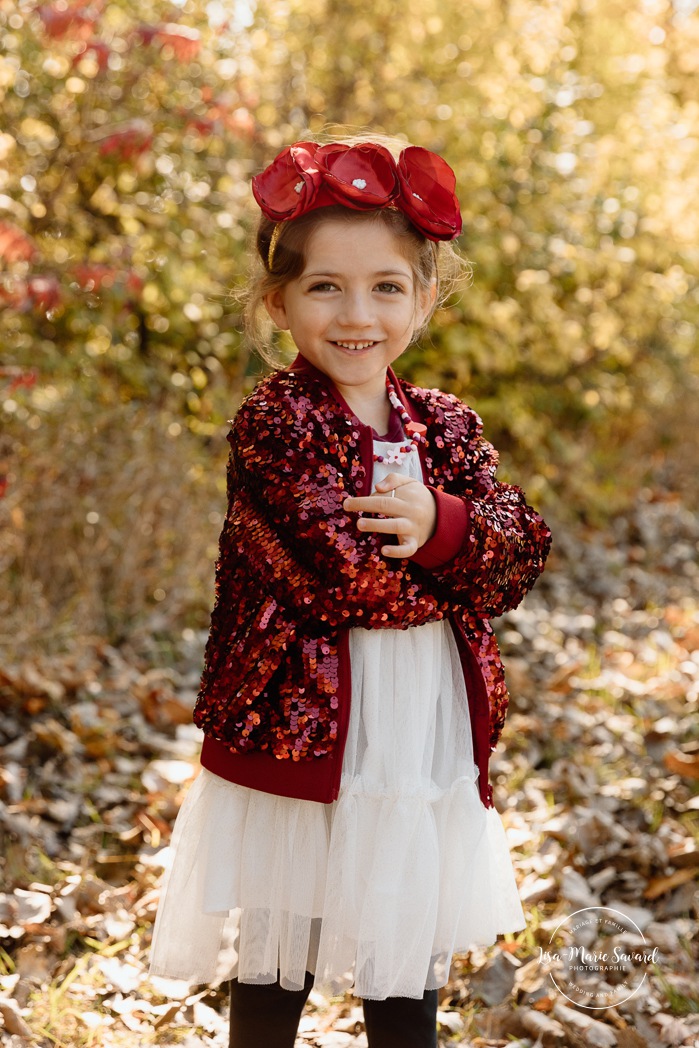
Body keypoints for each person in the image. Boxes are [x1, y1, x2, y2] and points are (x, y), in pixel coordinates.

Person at [149, 136, 552, 1048]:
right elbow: (342, 580)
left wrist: (442, 524)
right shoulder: (275, 424)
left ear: (422, 296)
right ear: (278, 300)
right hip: (301, 724)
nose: (356, 312)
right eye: (325, 286)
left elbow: (519, 551)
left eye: (385, 287)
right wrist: (454, 572)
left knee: (401, 944)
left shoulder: (444, 425)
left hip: (417, 726)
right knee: (278, 948)